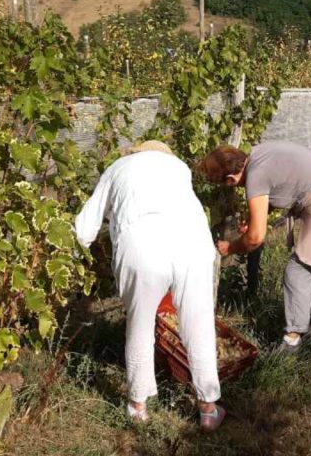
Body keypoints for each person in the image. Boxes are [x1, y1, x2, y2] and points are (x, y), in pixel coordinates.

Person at [74, 141, 226, 431]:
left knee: (140, 324)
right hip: (192, 242)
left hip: (142, 245)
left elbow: (83, 230)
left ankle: (137, 406)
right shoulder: (179, 168)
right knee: (198, 322)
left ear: (135, 152)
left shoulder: (117, 168)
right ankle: (208, 409)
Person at [197, 141, 311, 354]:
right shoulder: (258, 154)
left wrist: (230, 248)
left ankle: (292, 340)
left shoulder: (256, 175)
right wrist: (254, 215)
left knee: (298, 270)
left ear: (230, 178)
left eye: (227, 185)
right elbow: (280, 183)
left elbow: (255, 238)